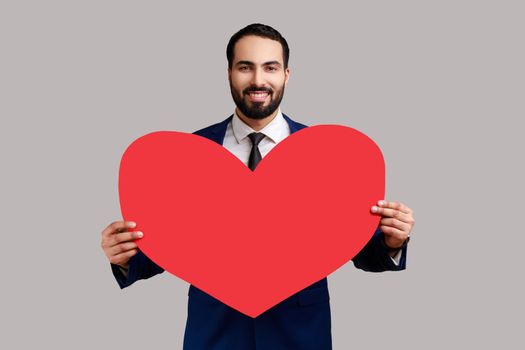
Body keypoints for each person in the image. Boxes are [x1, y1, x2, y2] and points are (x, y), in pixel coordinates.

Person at [101, 23, 415, 350]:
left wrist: (392, 243)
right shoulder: (189, 154)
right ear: (228, 74)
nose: (258, 80)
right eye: (245, 67)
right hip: (214, 336)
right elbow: (166, 244)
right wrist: (124, 259)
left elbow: (358, 247)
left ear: (287, 75)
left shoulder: (328, 157)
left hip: (300, 336)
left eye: (270, 67)